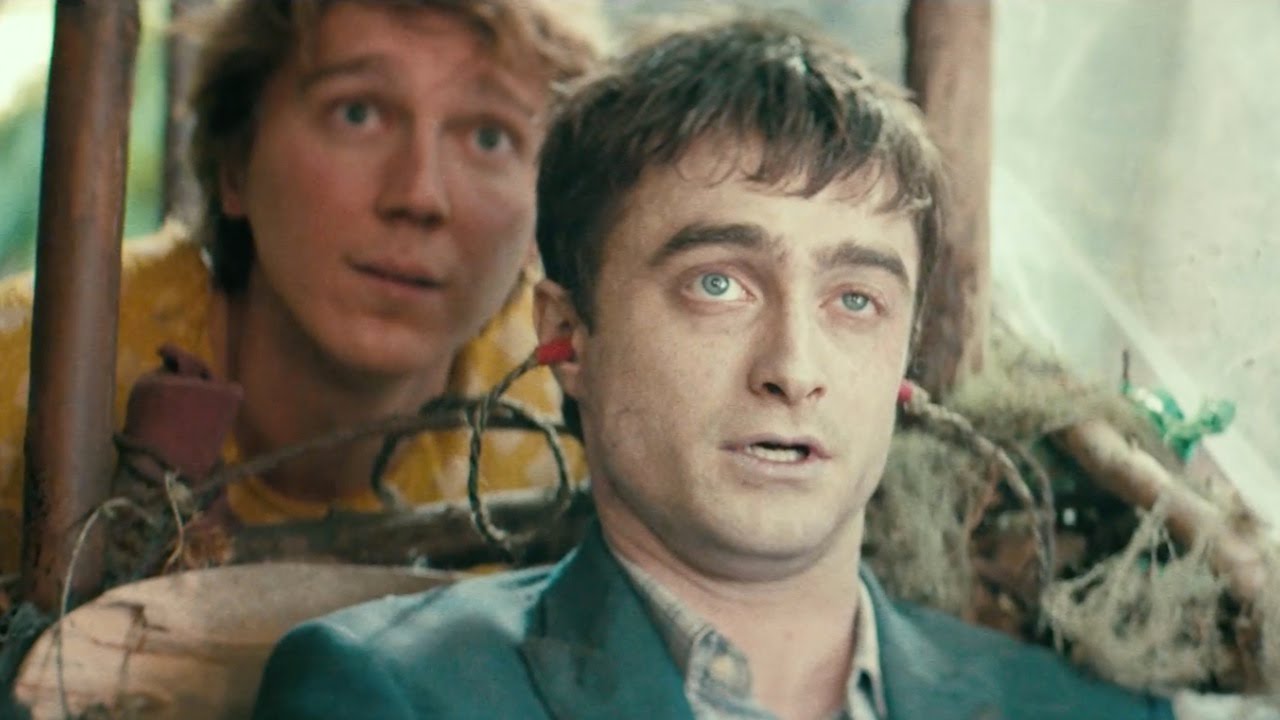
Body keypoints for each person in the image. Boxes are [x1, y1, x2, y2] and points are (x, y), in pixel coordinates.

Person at [251, 14, 1177, 720]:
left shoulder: (1090, 714)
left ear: (905, 367)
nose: (794, 369)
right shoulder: (396, 694)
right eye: (719, 284)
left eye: (856, 300)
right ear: (569, 336)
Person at [0, 0, 600, 576]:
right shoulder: (28, 363)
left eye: (489, 138)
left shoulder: (579, 405)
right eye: (357, 114)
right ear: (236, 162)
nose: (419, 195)